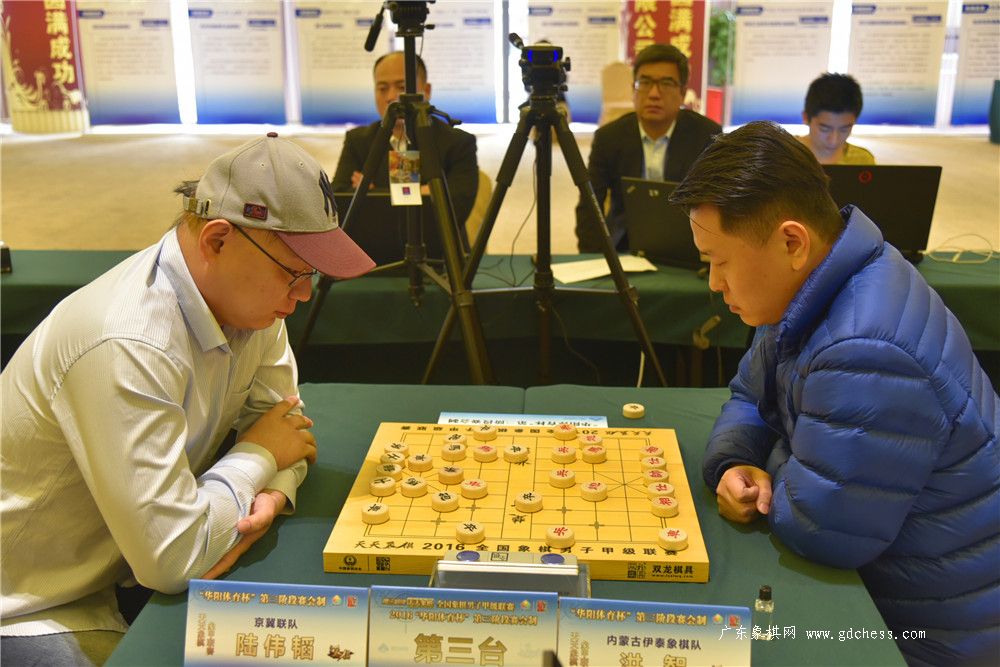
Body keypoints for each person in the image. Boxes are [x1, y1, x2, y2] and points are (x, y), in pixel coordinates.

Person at [0, 133, 375, 665]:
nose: (304, 294)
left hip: (119, 570)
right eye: (294, 272)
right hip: (32, 605)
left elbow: (287, 427)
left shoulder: (250, 304)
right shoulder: (129, 342)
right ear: (217, 240)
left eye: (311, 274)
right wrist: (259, 457)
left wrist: (276, 490)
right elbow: (172, 557)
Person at [669, 120, 998, 666]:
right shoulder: (814, 281)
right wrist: (735, 461)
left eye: (720, 261)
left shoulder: (867, 345)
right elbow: (749, 395)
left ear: (792, 242)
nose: (713, 283)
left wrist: (772, 462)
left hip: (928, 631)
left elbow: (821, 525)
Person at [575, 43, 721, 253]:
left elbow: (718, 206)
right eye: (644, 82)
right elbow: (590, 206)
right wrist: (593, 260)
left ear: (682, 93)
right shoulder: (609, 137)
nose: (653, 94)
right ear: (633, 90)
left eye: (666, 83)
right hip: (625, 244)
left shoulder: (707, 136)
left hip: (688, 247)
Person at [332, 51, 479, 260]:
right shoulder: (358, 141)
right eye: (382, 88)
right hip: (372, 259)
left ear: (426, 91)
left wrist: (374, 193)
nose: (391, 97)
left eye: (401, 87)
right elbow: (338, 203)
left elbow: (456, 207)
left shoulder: (458, 143)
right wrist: (425, 191)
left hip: (441, 261)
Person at [798, 72, 875, 165]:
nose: (833, 141)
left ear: (855, 121)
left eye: (844, 129)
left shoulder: (863, 160)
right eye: (824, 129)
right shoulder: (785, 155)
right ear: (806, 118)